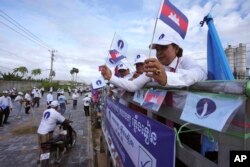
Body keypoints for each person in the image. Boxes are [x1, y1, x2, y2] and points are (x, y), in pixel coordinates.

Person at [101, 33, 207, 109]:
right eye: (157, 49)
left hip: (185, 122)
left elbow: (200, 73)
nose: (159, 52)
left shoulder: (185, 61)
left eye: (163, 48)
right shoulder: (155, 68)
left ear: (176, 48)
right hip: (161, 119)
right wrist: (111, 77)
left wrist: (166, 78)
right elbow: (133, 85)